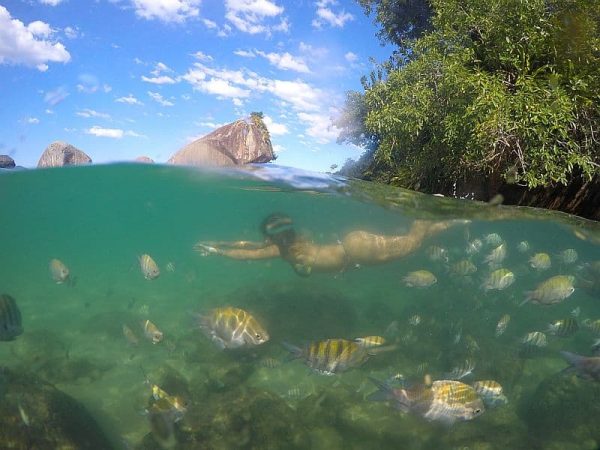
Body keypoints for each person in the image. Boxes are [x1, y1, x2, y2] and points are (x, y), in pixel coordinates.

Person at [194, 213, 467, 276]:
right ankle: (454, 221)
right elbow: (248, 245)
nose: (265, 242)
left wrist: (218, 251)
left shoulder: (281, 250)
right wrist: (216, 244)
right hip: (352, 245)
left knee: (413, 242)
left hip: (357, 250)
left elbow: (246, 254)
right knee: (414, 242)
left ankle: (426, 214)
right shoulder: (293, 241)